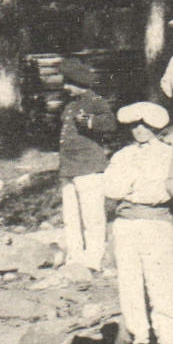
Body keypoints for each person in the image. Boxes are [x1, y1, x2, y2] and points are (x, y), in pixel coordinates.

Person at [100, 101, 173, 344]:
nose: (140, 130)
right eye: (135, 126)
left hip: (158, 223)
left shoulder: (170, 154)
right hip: (127, 224)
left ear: (157, 128)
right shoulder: (122, 156)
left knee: (161, 283)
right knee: (130, 284)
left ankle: (170, 343)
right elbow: (112, 193)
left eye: (146, 126)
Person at [58, 76, 119, 271]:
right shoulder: (70, 104)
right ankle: (75, 257)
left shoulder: (95, 101)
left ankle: (94, 258)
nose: (66, 87)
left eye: (69, 83)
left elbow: (110, 123)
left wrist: (90, 121)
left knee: (92, 216)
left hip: (88, 167)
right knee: (71, 216)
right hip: (69, 167)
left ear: (80, 83)